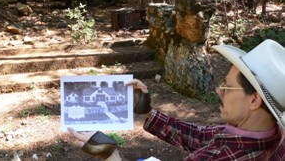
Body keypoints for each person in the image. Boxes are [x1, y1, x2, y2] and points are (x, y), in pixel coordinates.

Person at [67, 39, 285, 160]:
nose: (219, 91)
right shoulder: (267, 136)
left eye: (227, 86)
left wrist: (111, 155)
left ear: (254, 100)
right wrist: (147, 111)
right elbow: (199, 136)